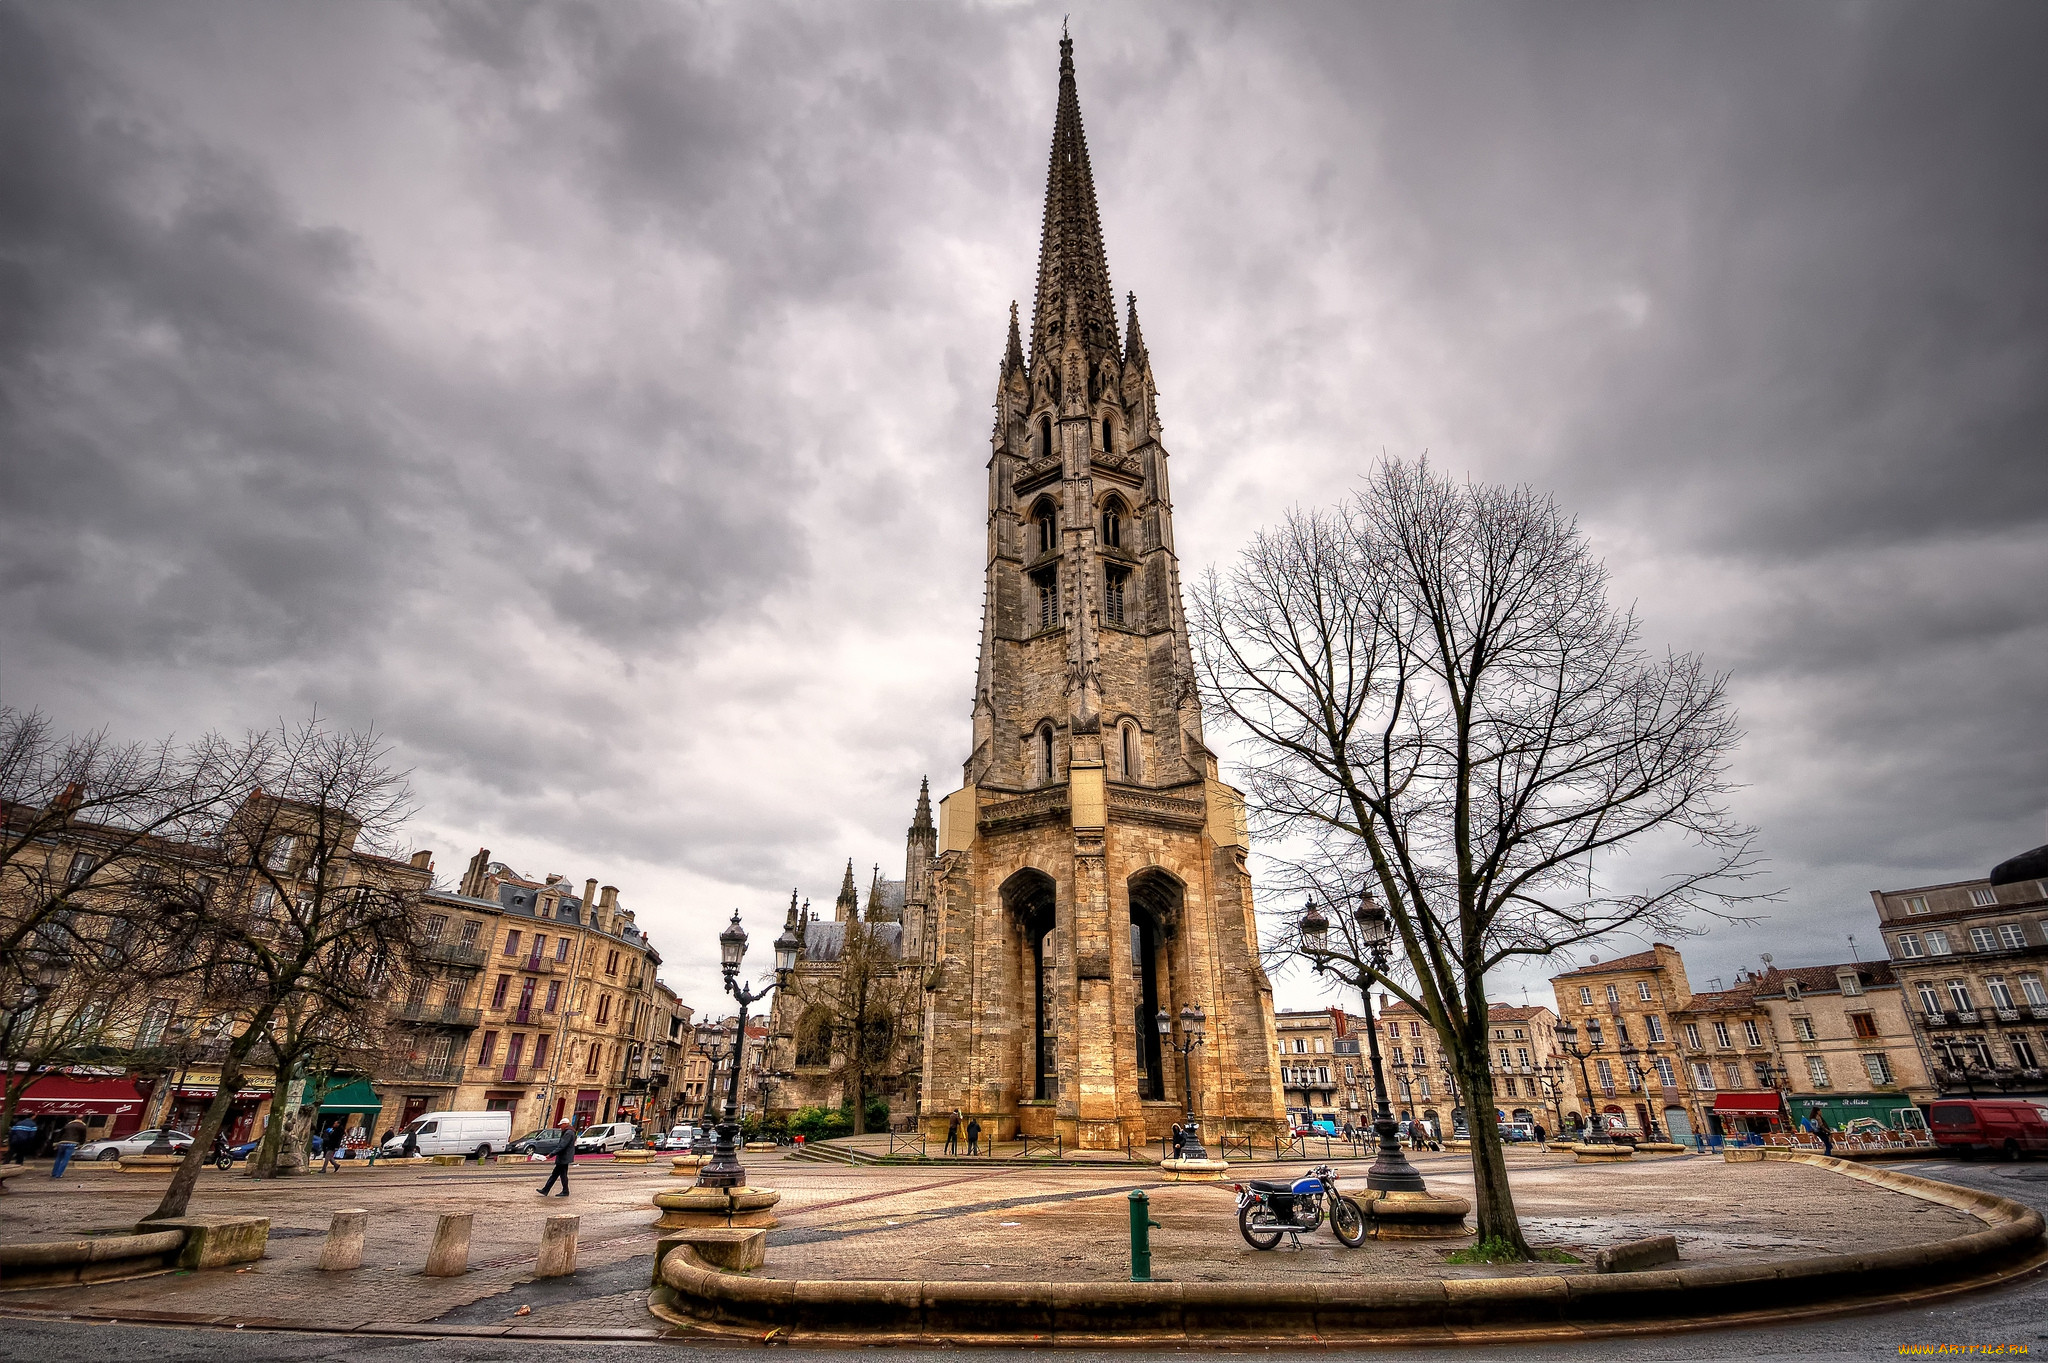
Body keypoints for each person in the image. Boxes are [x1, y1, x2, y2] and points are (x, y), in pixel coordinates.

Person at [537, 1121, 574, 1197]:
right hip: (564, 1157)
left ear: (565, 1124)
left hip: (564, 1157)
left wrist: (551, 1154)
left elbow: (562, 1146)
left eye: (561, 1125)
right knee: (557, 1174)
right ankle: (546, 1190)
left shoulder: (568, 1133)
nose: (560, 1127)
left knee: (561, 1175)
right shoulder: (569, 1132)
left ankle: (564, 1191)